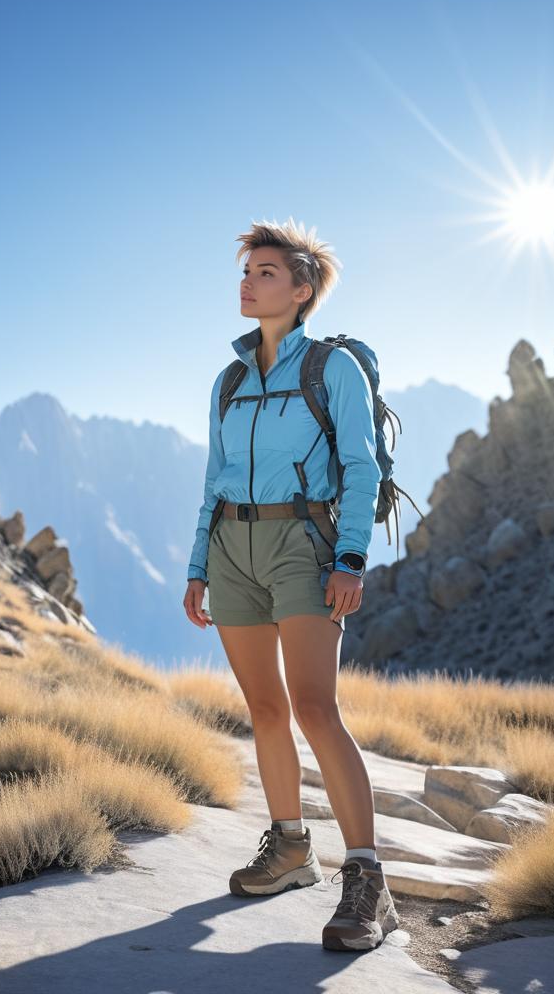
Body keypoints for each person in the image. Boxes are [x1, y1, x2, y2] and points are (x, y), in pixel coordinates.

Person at [181, 217, 400, 953]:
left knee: (314, 708)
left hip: (304, 546)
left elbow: (363, 467)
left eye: (266, 272)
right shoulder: (230, 379)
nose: (248, 282)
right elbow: (213, 476)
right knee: (265, 709)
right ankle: (290, 849)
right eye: (246, 272)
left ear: (302, 290)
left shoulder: (333, 368)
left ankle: (366, 879)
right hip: (230, 547)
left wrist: (352, 559)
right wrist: (196, 566)